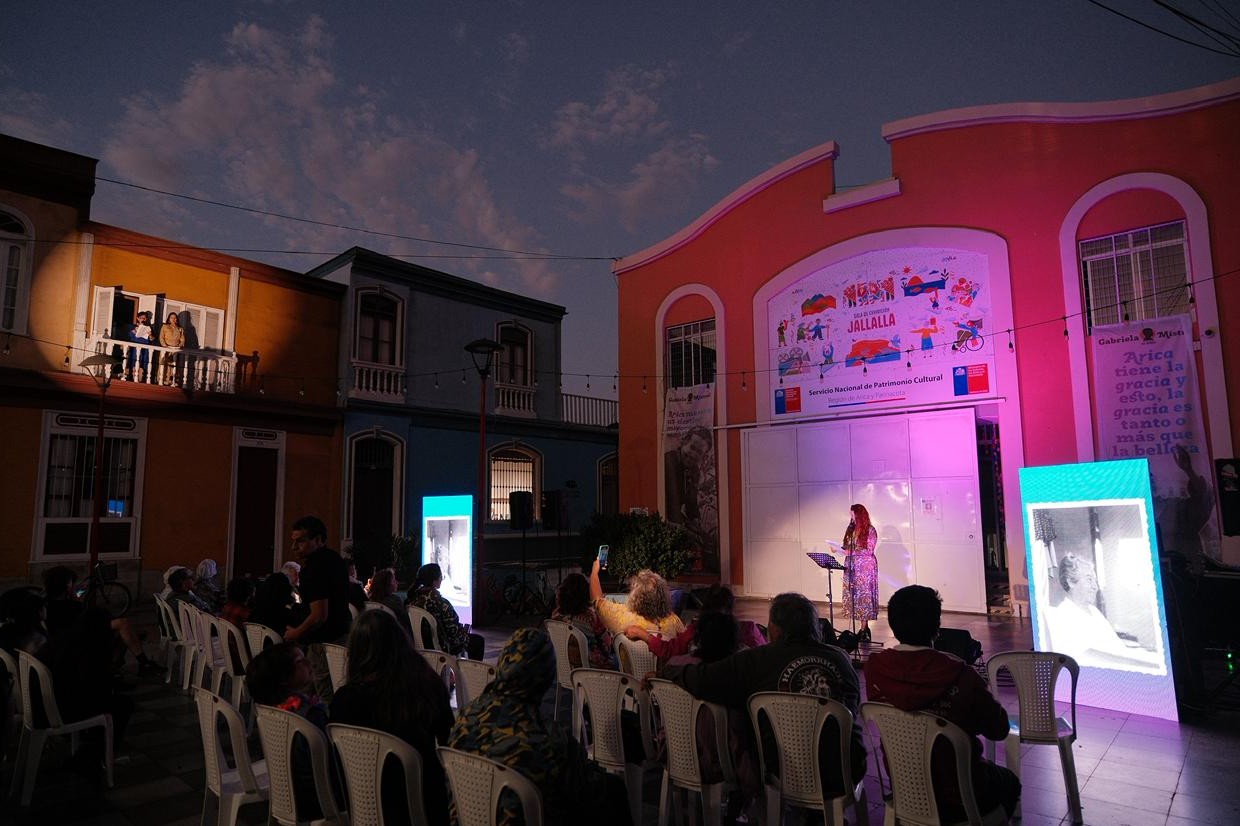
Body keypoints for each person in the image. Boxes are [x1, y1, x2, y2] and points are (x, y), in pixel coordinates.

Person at [660, 592, 866, 797]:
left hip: (784, 769)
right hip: (845, 768)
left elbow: (703, 679)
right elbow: (852, 705)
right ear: (815, 627)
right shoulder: (841, 659)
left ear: (774, 629)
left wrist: (668, 671)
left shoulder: (758, 659)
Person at [447, 627, 631, 826]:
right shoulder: (547, 738)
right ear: (544, 679)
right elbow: (591, 787)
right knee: (612, 790)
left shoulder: (465, 717)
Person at [865, 585, 1020, 820]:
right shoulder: (962, 676)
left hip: (904, 788)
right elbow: (998, 730)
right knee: (1009, 782)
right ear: (937, 627)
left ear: (893, 626)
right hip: (961, 794)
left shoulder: (875, 669)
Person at [330, 609, 454, 825]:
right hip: (423, 801)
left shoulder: (344, 699)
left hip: (364, 801)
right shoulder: (426, 686)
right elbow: (448, 741)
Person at [247, 643, 330, 820]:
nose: (310, 663)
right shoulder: (309, 715)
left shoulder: (270, 709)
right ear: (284, 678)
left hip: (286, 795)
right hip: (318, 801)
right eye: (301, 661)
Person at [1043, 554, 1161, 669]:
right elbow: (1086, 657)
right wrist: (1140, 662)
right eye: (1089, 580)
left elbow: (1117, 647)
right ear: (1071, 582)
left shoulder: (1094, 611)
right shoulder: (1061, 616)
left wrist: (1144, 656)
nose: (1095, 587)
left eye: (1095, 581)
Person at [43, 566, 165, 675]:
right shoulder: (68, 607)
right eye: (72, 584)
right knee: (122, 627)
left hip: (70, 640)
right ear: (67, 587)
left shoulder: (47, 604)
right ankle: (137, 664)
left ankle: (127, 666)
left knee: (123, 631)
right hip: (77, 643)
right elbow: (85, 622)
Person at [283, 515, 351, 702]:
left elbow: (319, 615)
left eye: (301, 541)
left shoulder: (314, 569)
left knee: (326, 694)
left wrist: (295, 633)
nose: (294, 547)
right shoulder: (334, 559)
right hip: (341, 635)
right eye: (294, 542)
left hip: (323, 642)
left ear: (319, 540)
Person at [624, 584, 765, 662]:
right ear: (731, 607)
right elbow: (764, 660)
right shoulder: (749, 629)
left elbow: (669, 651)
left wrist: (643, 635)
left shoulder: (696, 630)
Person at [588, 558, 686, 640]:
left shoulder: (621, 615)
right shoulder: (673, 622)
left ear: (634, 595)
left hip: (628, 664)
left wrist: (594, 573)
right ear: (663, 596)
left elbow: (597, 600)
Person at [405, 562, 485, 660]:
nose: (441, 579)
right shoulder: (441, 603)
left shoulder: (412, 600)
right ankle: (473, 672)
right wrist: (463, 632)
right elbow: (453, 633)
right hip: (441, 646)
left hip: (418, 645)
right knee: (478, 641)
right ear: (434, 581)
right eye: (440, 576)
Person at [550, 571, 617, 670]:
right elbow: (607, 646)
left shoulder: (556, 616)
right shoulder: (591, 617)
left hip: (567, 669)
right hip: (594, 669)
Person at [842, 503, 879, 641]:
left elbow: (869, 550)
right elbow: (848, 546)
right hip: (852, 565)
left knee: (864, 596)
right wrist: (841, 549)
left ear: (860, 515)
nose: (851, 517)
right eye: (850, 515)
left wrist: (849, 551)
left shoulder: (870, 530)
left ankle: (864, 628)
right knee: (854, 595)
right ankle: (862, 628)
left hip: (865, 568)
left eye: (853, 515)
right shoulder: (850, 529)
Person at [366, 567, 414, 640]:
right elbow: (406, 625)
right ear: (386, 584)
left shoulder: (370, 602)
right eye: (394, 580)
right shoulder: (395, 601)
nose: (397, 582)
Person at [126, 310, 154, 381]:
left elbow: (152, 339)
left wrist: (150, 335)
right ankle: (132, 379)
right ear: (138, 318)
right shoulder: (133, 326)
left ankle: (140, 380)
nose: (143, 319)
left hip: (145, 348)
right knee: (134, 363)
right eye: (141, 318)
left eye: (145, 318)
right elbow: (130, 336)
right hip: (135, 348)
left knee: (142, 364)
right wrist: (135, 330)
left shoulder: (148, 328)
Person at [158, 311, 184, 385]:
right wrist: (164, 346)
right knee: (164, 364)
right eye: (172, 317)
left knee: (173, 366)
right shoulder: (165, 326)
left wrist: (180, 345)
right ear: (169, 319)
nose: (173, 319)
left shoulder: (180, 329)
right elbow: (161, 337)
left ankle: (171, 380)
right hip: (166, 348)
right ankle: (162, 380)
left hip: (175, 350)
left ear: (177, 319)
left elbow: (182, 339)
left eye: (175, 318)